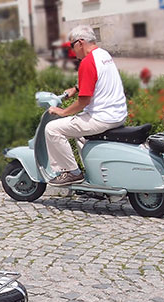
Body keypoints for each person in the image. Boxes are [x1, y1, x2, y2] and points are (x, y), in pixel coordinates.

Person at [44, 25, 127, 186]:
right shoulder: (104, 55)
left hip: (101, 118)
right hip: (117, 114)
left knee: (52, 129)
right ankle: (95, 177)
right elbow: (97, 79)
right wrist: (76, 88)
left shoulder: (87, 62)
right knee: (81, 136)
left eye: (72, 45)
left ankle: (71, 172)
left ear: (80, 43)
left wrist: (62, 112)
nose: (72, 51)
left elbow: (83, 102)